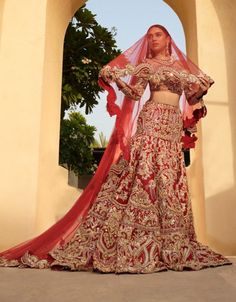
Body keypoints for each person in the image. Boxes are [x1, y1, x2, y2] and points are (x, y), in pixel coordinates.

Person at [0, 24, 232, 273]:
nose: (153, 39)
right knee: (146, 175)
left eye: (158, 35)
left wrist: (202, 90)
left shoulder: (181, 70)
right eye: (150, 36)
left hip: (172, 124)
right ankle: (136, 241)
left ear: (168, 40)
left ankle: (173, 243)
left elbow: (192, 98)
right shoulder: (145, 66)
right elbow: (135, 94)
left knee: (170, 178)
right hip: (151, 120)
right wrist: (118, 80)